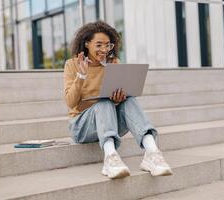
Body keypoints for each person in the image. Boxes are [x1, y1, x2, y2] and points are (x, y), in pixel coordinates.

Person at [63, 21, 172, 179]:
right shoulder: (73, 64)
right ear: (87, 44)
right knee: (104, 103)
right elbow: (70, 102)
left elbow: (118, 99)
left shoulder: (113, 63)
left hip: (109, 122)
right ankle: (110, 158)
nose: (104, 50)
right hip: (81, 127)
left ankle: (152, 152)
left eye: (108, 45)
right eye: (99, 45)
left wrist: (118, 99)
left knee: (129, 100)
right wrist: (81, 76)